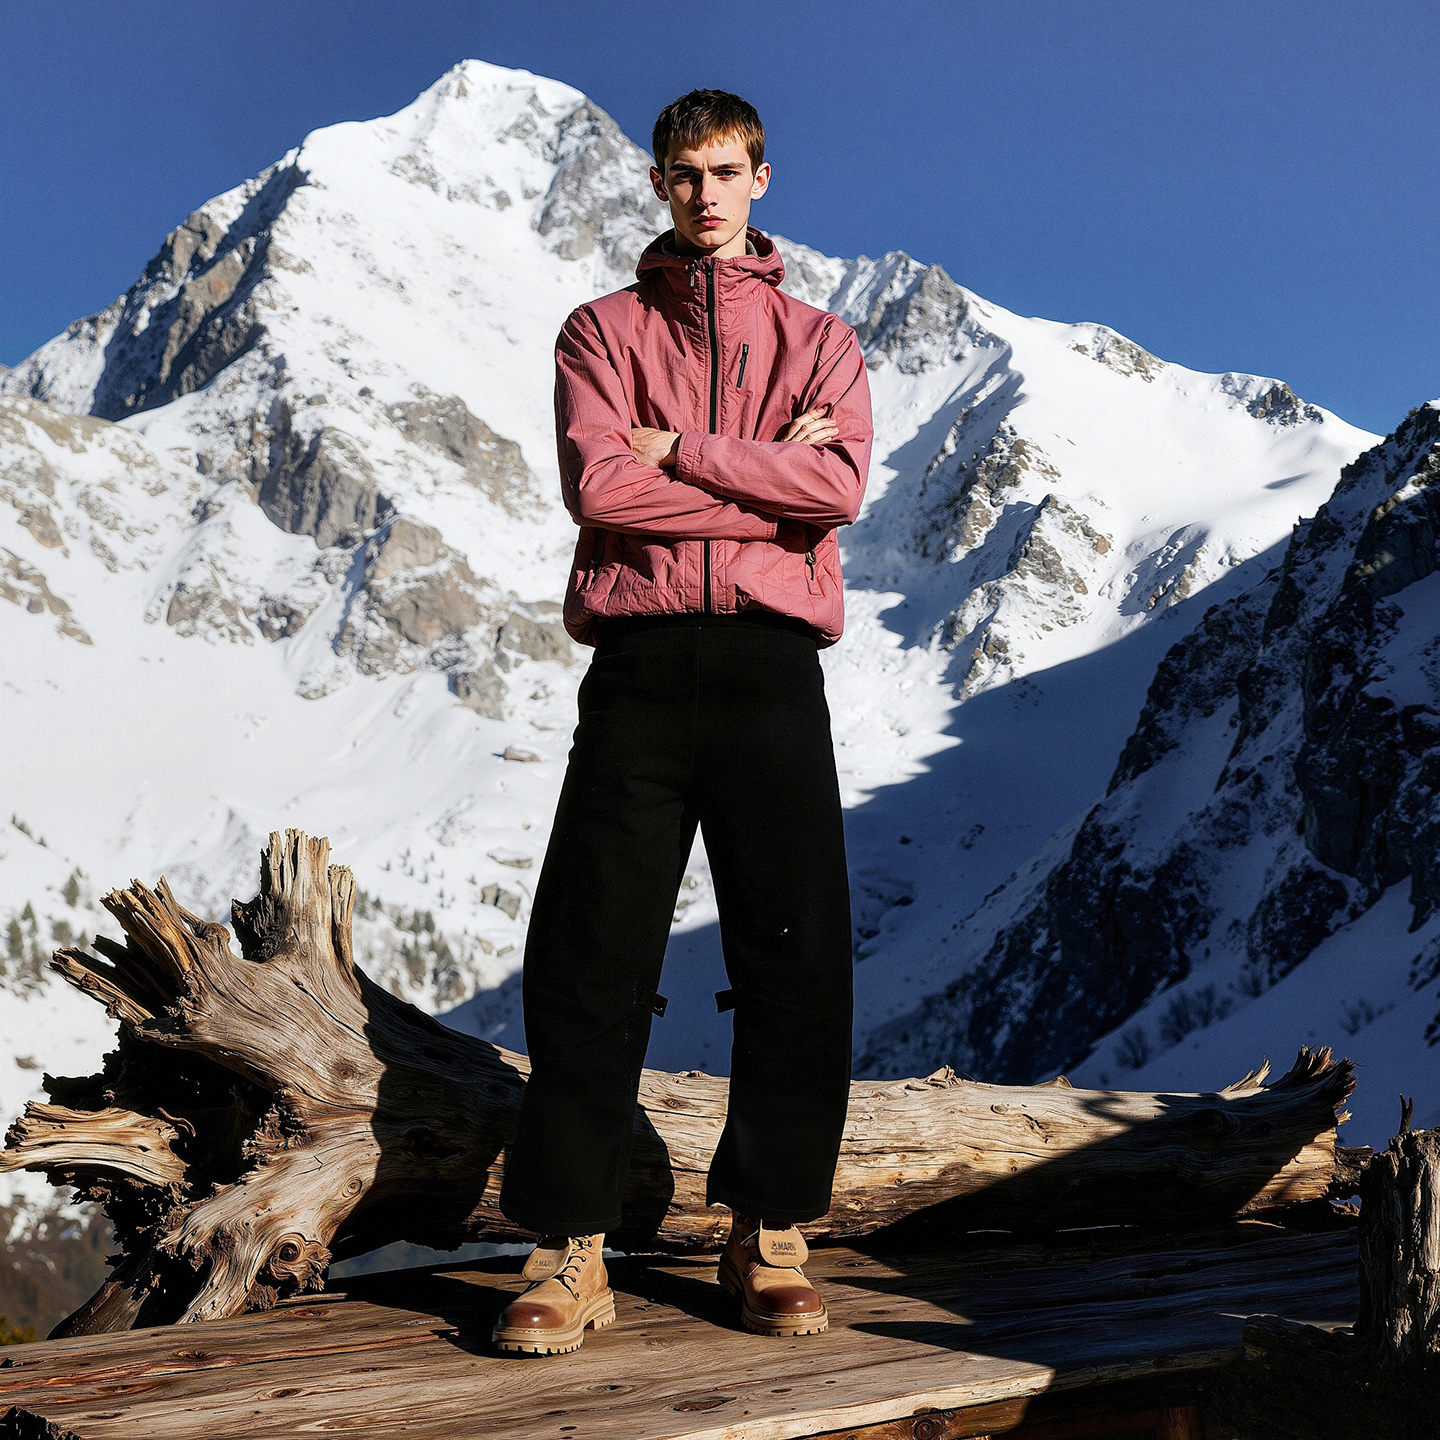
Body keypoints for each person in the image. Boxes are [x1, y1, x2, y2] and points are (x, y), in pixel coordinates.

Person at [491, 87, 873, 1356]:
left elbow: (840, 487)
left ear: (762, 176)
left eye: (724, 171)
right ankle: (570, 1244)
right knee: (591, 952)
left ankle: (770, 1231)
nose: (704, 194)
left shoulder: (824, 340)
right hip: (641, 664)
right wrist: (768, 483)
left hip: (773, 668)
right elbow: (600, 489)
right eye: (682, 174)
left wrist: (682, 453)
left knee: (796, 954)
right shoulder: (600, 331)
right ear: (657, 184)